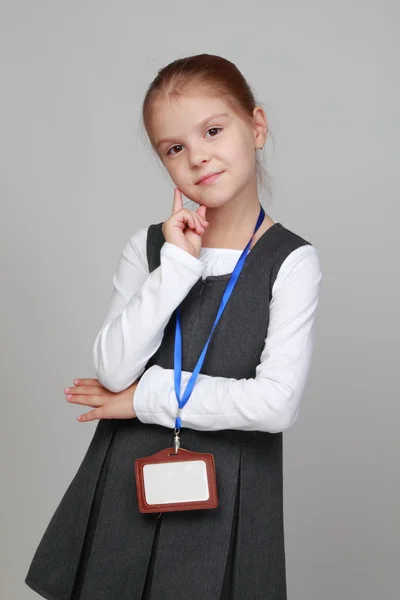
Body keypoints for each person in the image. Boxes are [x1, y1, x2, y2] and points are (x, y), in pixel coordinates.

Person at [25, 53, 322, 600]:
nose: (198, 157)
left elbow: (275, 404)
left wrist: (143, 398)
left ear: (255, 127)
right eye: (175, 148)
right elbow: (113, 369)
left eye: (213, 130)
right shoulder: (148, 249)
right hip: (126, 480)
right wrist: (178, 267)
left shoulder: (292, 260)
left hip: (229, 491)